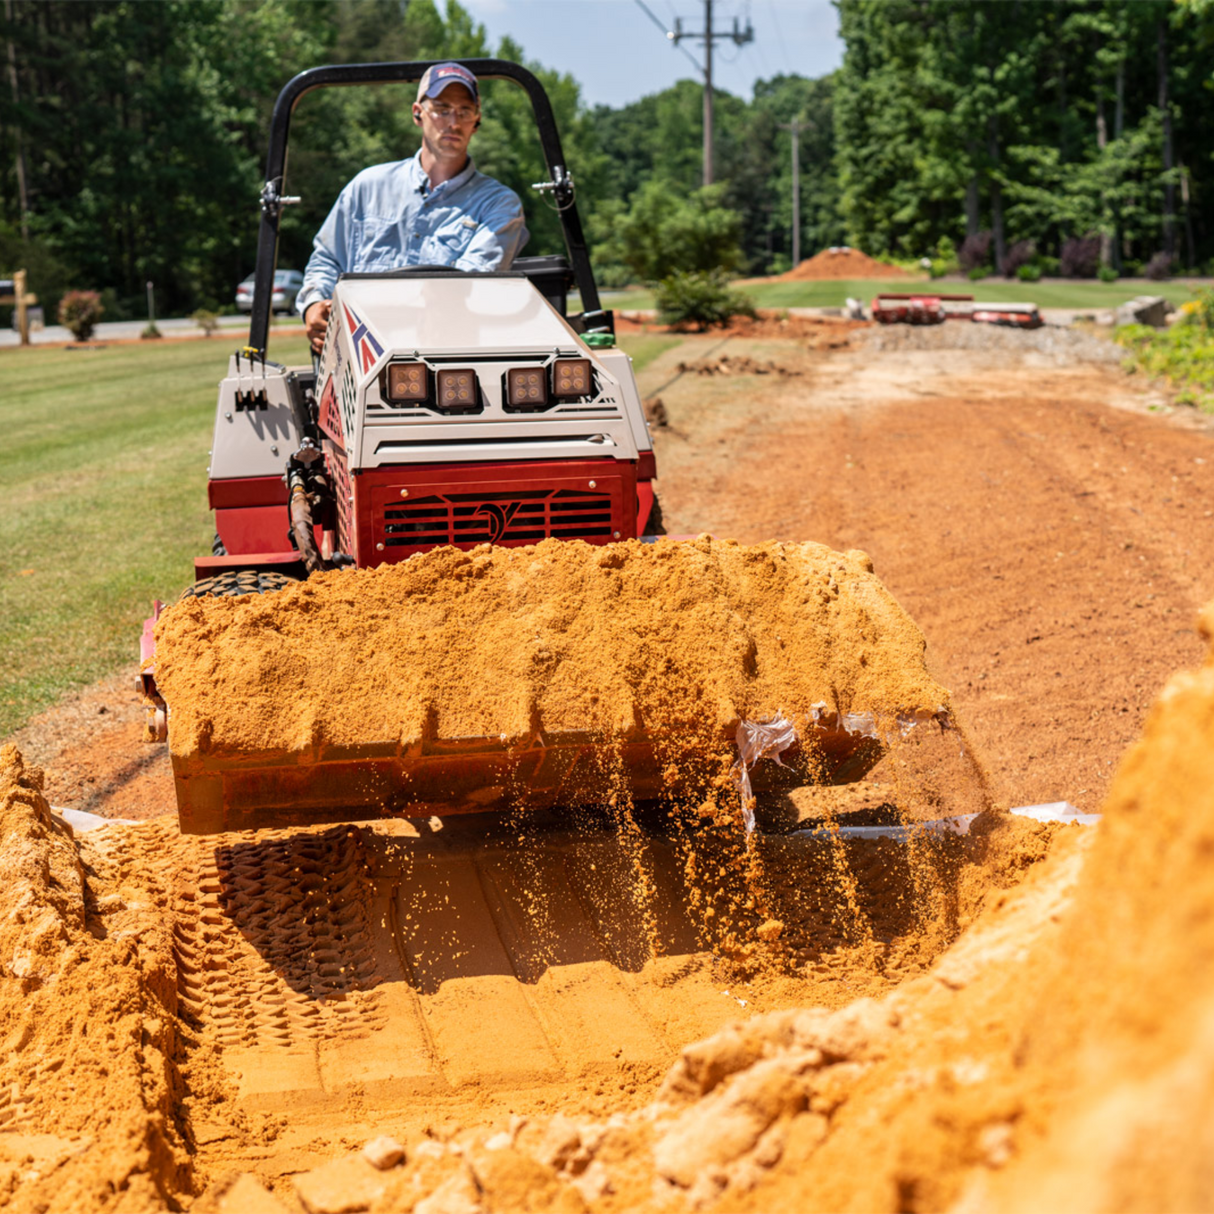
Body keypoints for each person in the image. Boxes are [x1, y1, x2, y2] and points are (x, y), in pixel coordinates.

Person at [297, 62, 529, 352]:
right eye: (442, 110)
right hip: (357, 355)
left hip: (447, 363)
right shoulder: (367, 187)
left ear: (477, 120)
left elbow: (465, 287)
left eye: (464, 111)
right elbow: (328, 259)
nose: (453, 122)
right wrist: (314, 304)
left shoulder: (498, 204)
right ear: (418, 113)